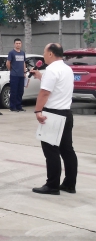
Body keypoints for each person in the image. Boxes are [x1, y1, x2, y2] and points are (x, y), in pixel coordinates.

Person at [30, 43, 78, 195]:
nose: (44, 55)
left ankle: (52, 185)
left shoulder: (51, 69)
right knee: (67, 150)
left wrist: (38, 110)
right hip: (66, 113)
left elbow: (45, 92)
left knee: (51, 151)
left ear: (50, 54)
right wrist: (40, 76)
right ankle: (69, 184)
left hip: (53, 114)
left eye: (44, 52)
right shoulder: (67, 69)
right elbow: (57, 85)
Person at [7, 38, 27, 112]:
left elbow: (24, 63)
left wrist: (24, 72)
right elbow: (8, 63)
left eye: (19, 43)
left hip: (21, 75)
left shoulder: (22, 53)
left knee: (20, 91)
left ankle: (19, 106)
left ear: (21, 44)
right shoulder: (11, 53)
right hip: (14, 75)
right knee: (14, 91)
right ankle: (13, 107)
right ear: (14, 44)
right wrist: (11, 70)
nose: (18, 45)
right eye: (17, 43)